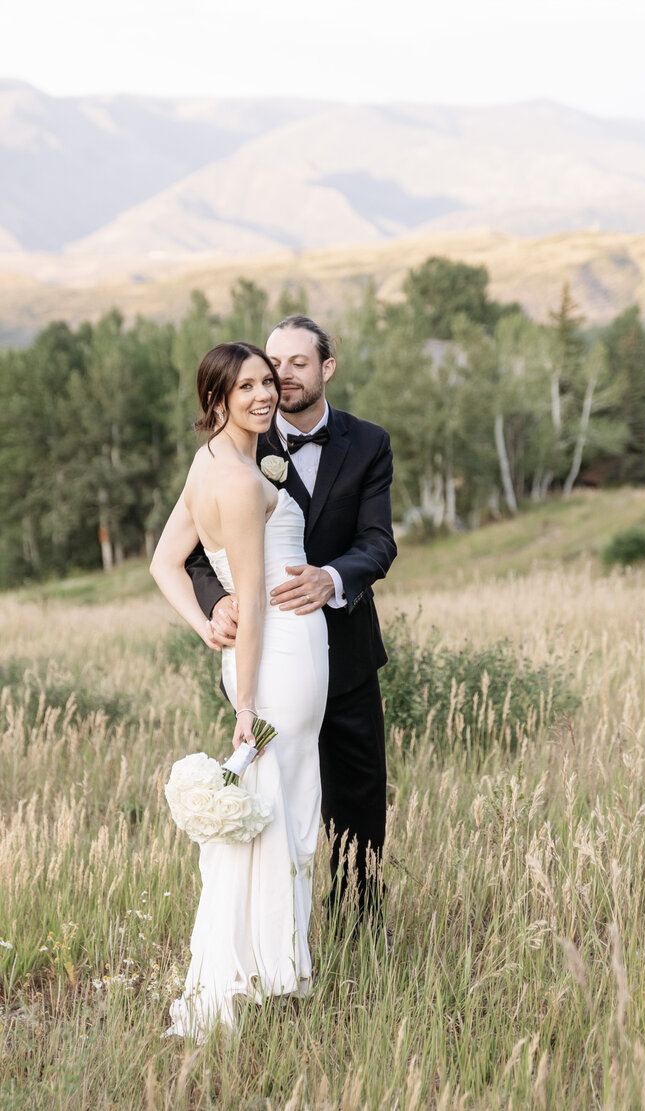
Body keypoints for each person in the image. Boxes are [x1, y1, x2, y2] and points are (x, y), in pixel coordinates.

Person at [187, 315, 396, 924]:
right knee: (273, 792)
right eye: (272, 365)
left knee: (358, 799)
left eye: (298, 364)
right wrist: (216, 602)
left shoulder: (369, 442)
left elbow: (378, 542)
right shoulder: (240, 438)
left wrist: (332, 578)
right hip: (271, 651)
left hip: (346, 648)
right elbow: (195, 552)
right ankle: (276, 927)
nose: (281, 377)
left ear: (326, 368)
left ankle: (356, 928)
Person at [150, 341, 328, 1038]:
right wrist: (246, 703)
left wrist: (202, 624)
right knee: (278, 808)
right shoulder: (236, 480)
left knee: (273, 808)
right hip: (276, 656)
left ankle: (269, 966)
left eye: (267, 381)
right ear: (216, 398)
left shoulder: (212, 462)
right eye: (246, 386)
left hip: (271, 653)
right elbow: (251, 602)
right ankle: (265, 975)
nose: (264, 394)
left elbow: (166, 562)